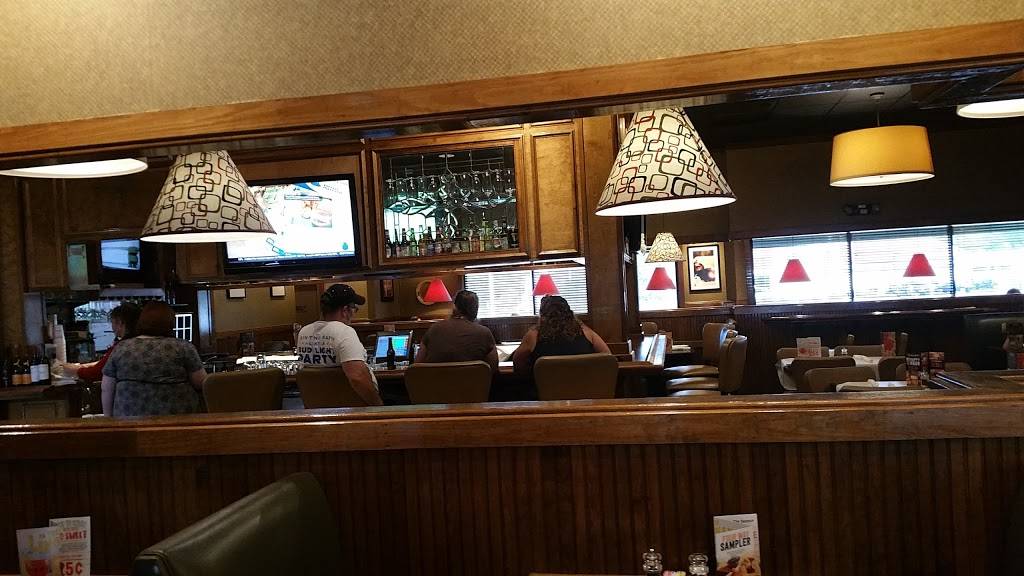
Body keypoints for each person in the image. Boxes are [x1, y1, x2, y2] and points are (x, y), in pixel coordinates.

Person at [101, 301, 206, 417]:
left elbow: (107, 388)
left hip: (129, 418)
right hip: (178, 418)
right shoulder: (183, 347)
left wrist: (108, 418)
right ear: (171, 322)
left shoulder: (121, 348)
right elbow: (200, 382)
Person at [296, 283, 382, 406]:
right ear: (345, 310)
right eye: (354, 309)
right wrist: (378, 405)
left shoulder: (304, 332)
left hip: (317, 408)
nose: (354, 314)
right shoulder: (344, 332)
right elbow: (357, 377)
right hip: (353, 409)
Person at [512, 295, 611, 376]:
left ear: (542, 315)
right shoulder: (586, 332)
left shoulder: (533, 335)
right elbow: (607, 356)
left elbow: (517, 362)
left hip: (546, 391)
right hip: (586, 390)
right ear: (569, 313)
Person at [415, 290, 498, 372]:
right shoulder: (484, 333)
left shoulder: (434, 329)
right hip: (472, 381)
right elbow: (493, 368)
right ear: (476, 310)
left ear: (455, 307)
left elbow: (417, 366)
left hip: (437, 380)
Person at [63, 302, 141, 382]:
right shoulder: (142, 343)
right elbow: (106, 363)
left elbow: (97, 373)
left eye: (112, 322)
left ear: (119, 322)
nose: (112, 327)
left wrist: (76, 370)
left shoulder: (121, 347)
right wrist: (82, 366)